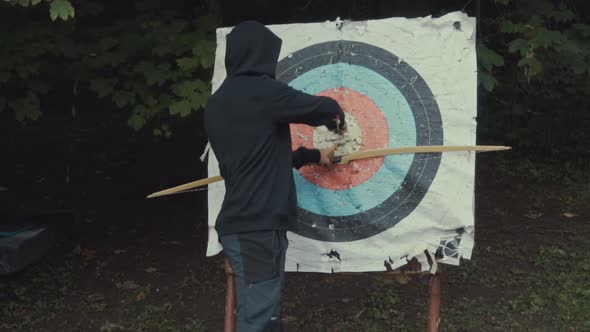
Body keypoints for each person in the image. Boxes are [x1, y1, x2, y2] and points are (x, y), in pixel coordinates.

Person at [204, 20, 346, 331]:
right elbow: (325, 110)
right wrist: (339, 123)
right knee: (259, 321)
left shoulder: (219, 102)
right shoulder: (262, 92)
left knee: (262, 315)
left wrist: (312, 155)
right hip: (256, 228)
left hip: (245, 224)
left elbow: (259, 159)